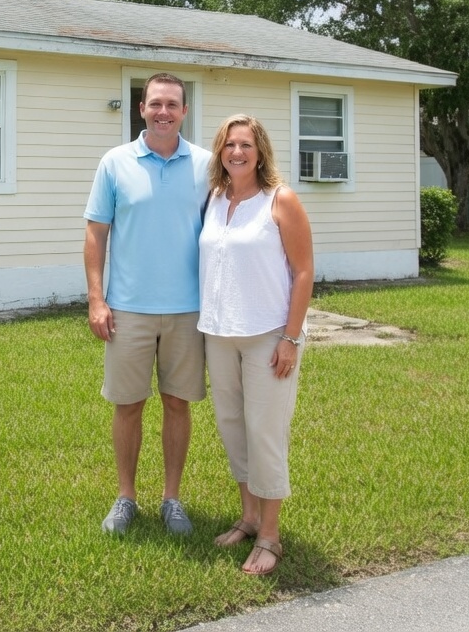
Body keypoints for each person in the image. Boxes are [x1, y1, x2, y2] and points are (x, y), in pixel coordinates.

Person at [84, 73, 211, 536]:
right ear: (141, 109)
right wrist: (97, 299)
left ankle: (171, 499)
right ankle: (126, 497)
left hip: (187, 311)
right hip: (128, 310)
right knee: (128, 405)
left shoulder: (206, 165)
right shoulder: (115, 163)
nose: (163, 112)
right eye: (155, 103)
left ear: (184, 111)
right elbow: (96, 233)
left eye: (172, 104)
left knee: (178, 404)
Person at [198, 114, 314, 575]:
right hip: (219, 335)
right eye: (229, 145)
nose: (237, 152)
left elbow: (303, 272)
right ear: (220, 152)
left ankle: (270, 536)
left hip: (269, 336)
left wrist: (290, 337)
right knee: (233, 428)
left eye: (245, 144)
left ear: (260, 150)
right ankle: (247, 518)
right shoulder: (215, 198)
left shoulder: (280, 200)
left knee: (265, 433)